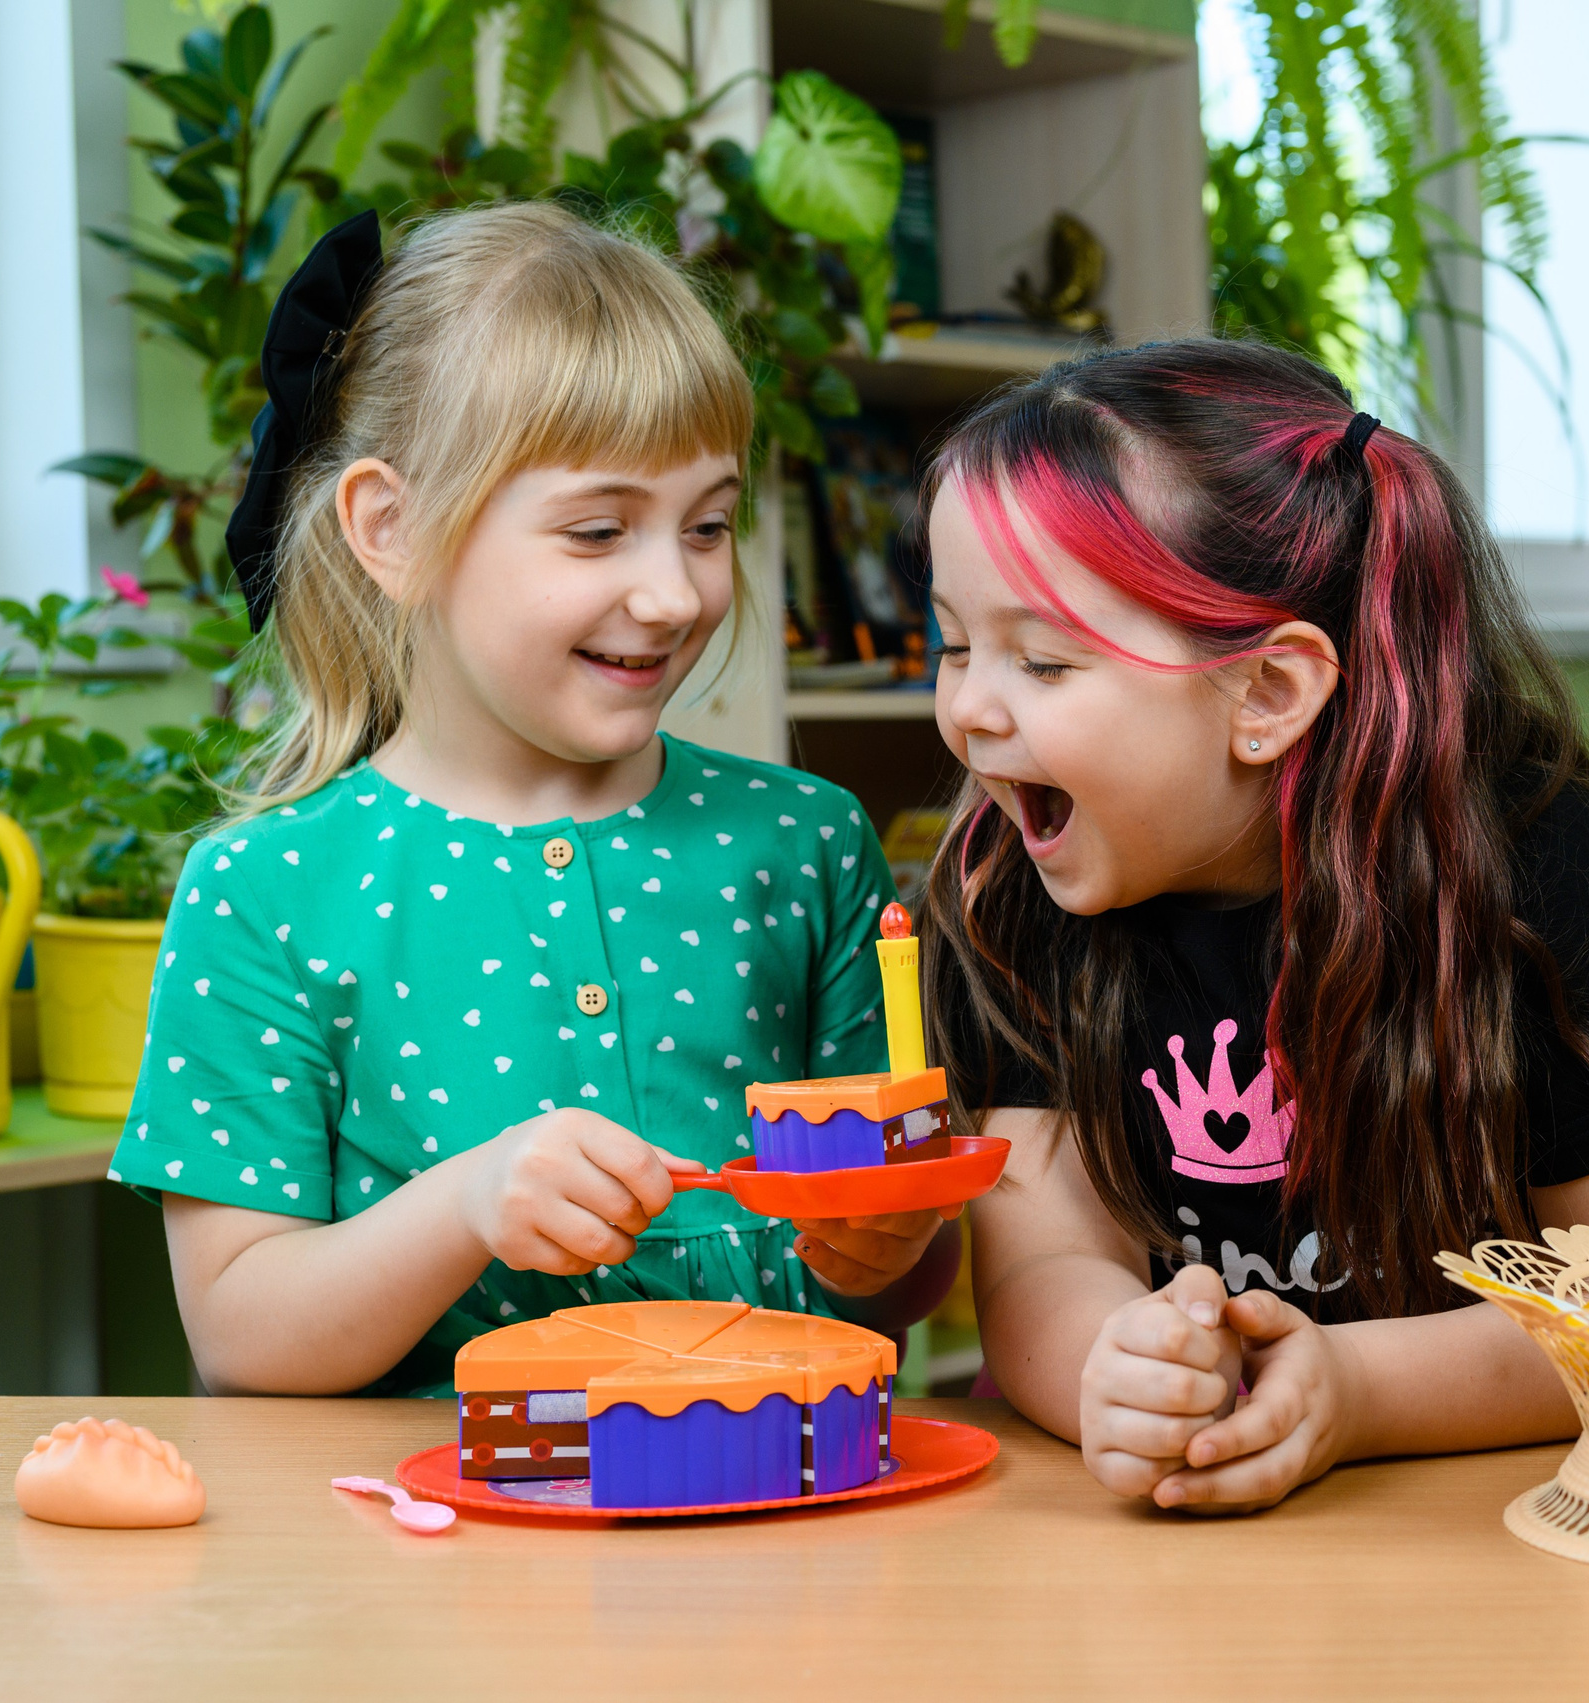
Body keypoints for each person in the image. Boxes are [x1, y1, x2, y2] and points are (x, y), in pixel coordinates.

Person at [111, 203, 957, 1397]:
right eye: (599, 528)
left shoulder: (803, 844)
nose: (671, 592)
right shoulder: (268, 892)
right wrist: (463, 1204)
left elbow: (902, 1276)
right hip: (423, 1551)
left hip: (789, 1513)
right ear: (392, 529)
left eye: (708, 525)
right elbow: (241, 1334)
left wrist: (896, 1245)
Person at [920, 338, 1589, 1512]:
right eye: (953, 643)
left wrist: (1355, 1388)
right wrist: (1118, 1368)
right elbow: (1041, 1257)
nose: (967, 711)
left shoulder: (1558, 879)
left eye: (1041, 661)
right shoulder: (1008, 890)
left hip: (1498, 1536)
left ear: (1266, 693)